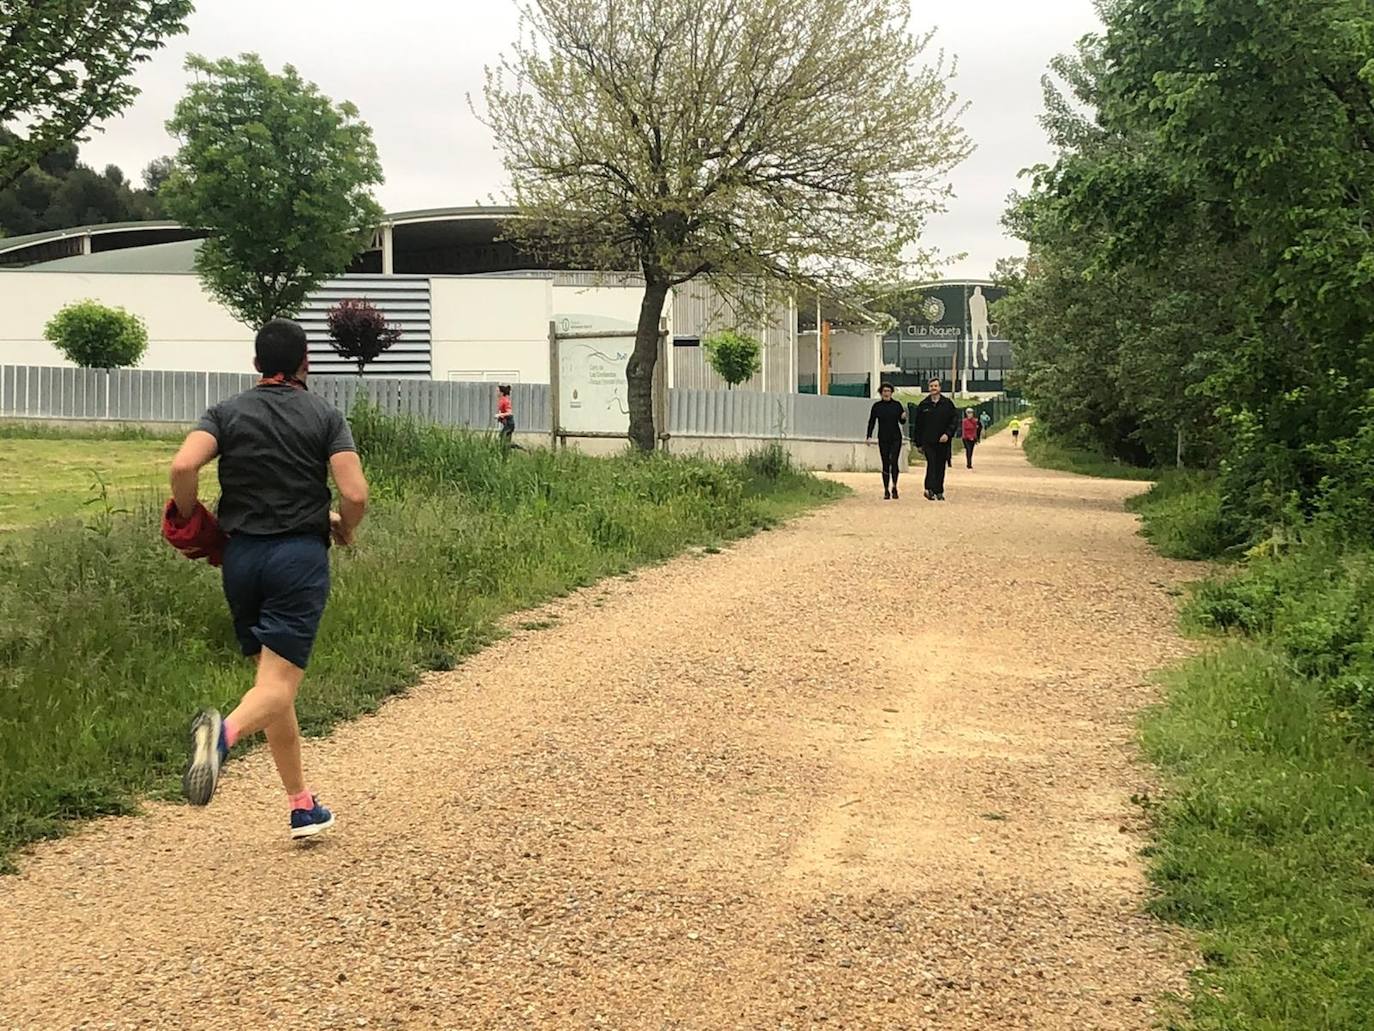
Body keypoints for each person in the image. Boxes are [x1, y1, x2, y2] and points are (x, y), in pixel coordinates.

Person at [168, 318, 369, 840]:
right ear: (306, 363)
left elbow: (183, 466)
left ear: (257, 365)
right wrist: (344, 529)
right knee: (278, 687)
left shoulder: (226, 412)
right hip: (296, 558)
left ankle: (302, 805)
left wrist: (191, 518)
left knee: (272, 686)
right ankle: (220, 738)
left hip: (240, 561)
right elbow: (355, 495)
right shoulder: (325, 415)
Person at [913, 377, 959, 501]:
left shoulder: (947, 404)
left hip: (943, 441)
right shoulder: (923, 405)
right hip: (928, 441)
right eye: (931, 386)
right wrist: (918, 443)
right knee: (931, 464)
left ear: (940, 388)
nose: (933, 388)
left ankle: (939, 490)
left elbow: (954, 421)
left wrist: (947, 434)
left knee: (940, 465)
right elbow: (918, 425)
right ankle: (929, 489)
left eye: (936, 386)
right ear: (928, 388)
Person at [866, 383, 908, 499]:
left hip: (896, 437)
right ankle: (886, 490)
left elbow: (902, 422)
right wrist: (868, 436)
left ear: (891, 392)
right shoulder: (877, 406)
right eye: (884, 391)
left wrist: (903, 417)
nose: (886, 393)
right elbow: (872, 421)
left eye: (888, 391)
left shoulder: (897, 405)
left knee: (893, 461)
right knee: (885, 463)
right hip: (883, 438)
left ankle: (894, 486)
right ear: (881, 392)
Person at [495, 383, 523, 451]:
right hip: (506, 424)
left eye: (497, 391)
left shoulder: (505, 400)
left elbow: (509, 413)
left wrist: (500, 415)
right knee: (506, 442)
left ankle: (519, 447)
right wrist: (500, 418)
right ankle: (506, 456)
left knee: (502, 439)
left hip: (509, 424)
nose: (496, 392)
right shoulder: (501, 400)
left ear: (501, 393)